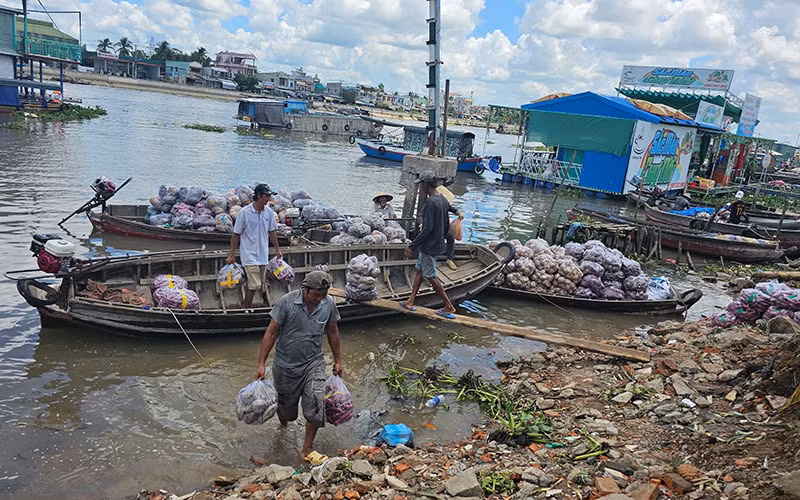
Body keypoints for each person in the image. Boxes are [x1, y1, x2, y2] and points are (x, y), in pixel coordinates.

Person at [255, 270, 341, 459]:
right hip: (286, 366)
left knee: (315, 402)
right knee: (288, 413)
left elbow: (333, 332)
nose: (319, 299)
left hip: (314, 363)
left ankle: (307, 448)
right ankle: (283, 425)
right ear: (305, 289)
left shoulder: (329, 304)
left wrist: (338, 360)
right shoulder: (287, 302)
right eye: (315, 295)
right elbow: (271, 332)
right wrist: (261, 363)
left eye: (323, 295)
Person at [402, 170, 457, 318]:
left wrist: (411, 245)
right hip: (436, 243)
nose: (420, 188)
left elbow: (427, 229)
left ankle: (448, 306)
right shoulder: (443, 200)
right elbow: (446, 226)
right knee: (420, 270)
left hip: (429, 246)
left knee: (431, 275)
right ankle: (411, 300)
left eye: (421, 185)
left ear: (426, 185)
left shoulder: (431, 202)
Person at [227, 183, 283, 308]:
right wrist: (231, 255)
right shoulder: (244, 212)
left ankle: (253, 304)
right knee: (254, 284)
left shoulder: (268, 213)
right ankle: (245, 308)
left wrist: (277, 250)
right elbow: (236, 235)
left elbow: (272, 232)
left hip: (263, 254)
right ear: (258, 195)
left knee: (260, 283)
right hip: (248, 254)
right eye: (266, 196)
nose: (269, 198)